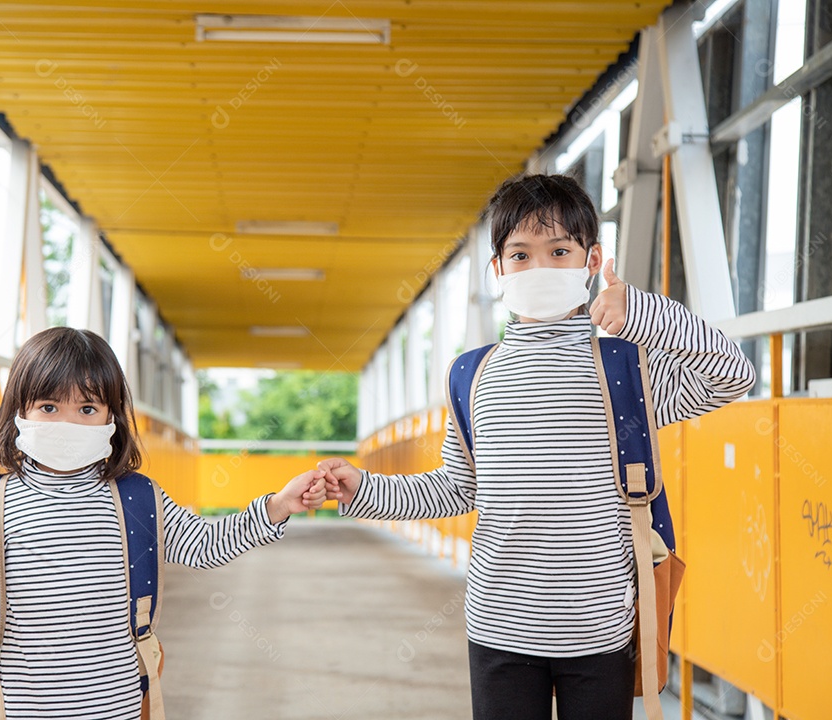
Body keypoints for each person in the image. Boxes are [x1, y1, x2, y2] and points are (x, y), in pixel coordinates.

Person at [319, 174, 755, 720]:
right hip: (498, 626)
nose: (539, 267)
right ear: (499, 268)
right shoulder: (472, 376)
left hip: (600, 629)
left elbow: (734, 375)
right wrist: (365, 488)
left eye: (559, 251)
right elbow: (456, 488)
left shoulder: (627, 368)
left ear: (592, 260)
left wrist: (642, 312)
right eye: (520, 254)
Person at [0, 326, 326, 719]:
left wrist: (277, 506)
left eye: (87, 408)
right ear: (19, 411)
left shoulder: (137, 499)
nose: (68, 423)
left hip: (117, 703)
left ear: (112, 418)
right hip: (16, 706)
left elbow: (204, 545)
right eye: (49, 407)